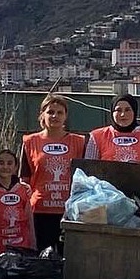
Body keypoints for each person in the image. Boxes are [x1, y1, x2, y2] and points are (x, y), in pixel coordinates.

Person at [20, 95, 88, 252]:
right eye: (50, 112)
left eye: (60, 112)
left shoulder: (79, 142)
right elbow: (24, 179)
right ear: (42, 114)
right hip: (39, 212)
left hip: (69, 211)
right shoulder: (30, 142)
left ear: (66, 116)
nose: (55, 116)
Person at [0, 149, 36, 260]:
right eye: (1, 163)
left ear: (16, 167)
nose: (5, 167)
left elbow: (29, 221)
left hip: (23, 249)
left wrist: (32, 247)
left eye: (10, 163)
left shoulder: (23, 190)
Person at [85, 95, 140, 164]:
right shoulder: (97, 137)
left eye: (127, 110)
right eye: (118, 110)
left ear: (134, 112)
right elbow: (88, 170)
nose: (123, 114)